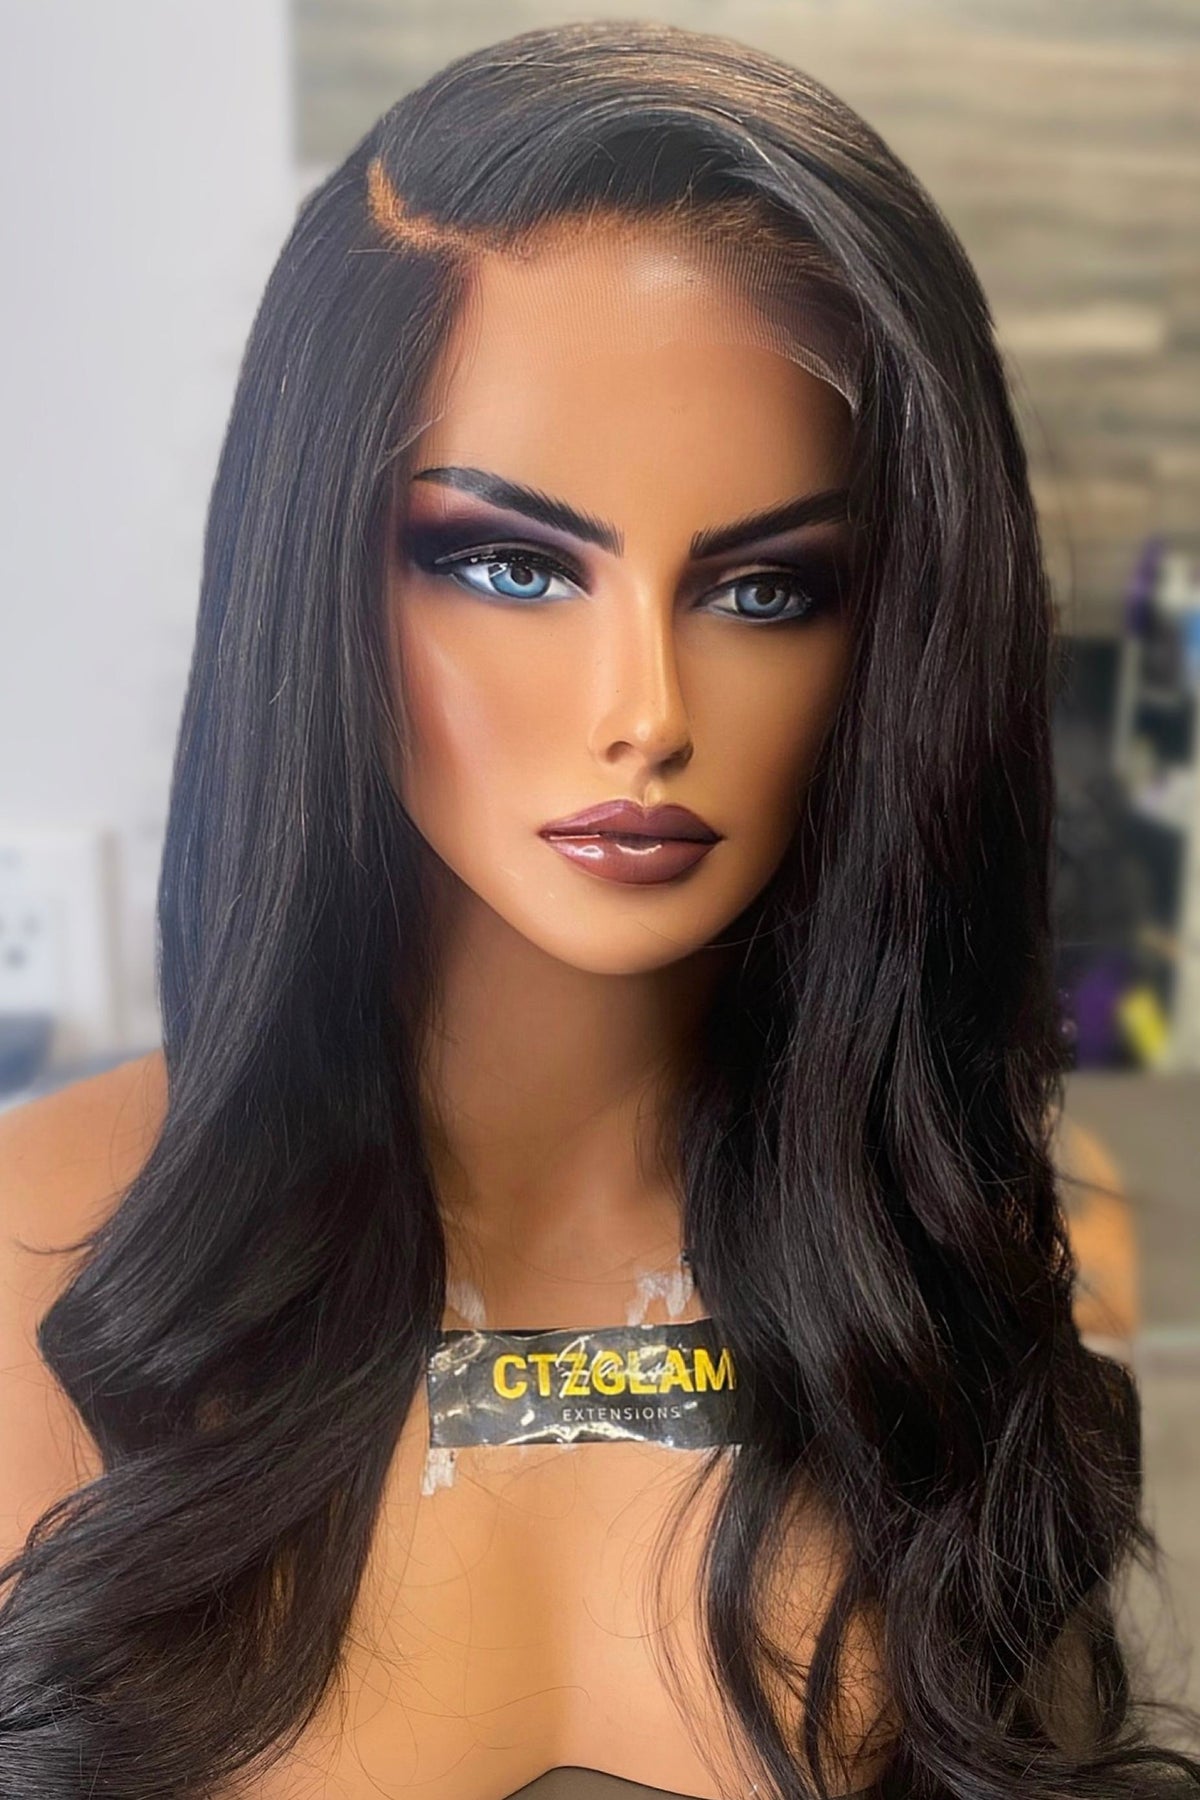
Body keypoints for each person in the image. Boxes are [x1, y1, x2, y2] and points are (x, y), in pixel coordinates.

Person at [0, 19, 1197, 1800]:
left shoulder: (989, 1239)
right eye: (509, 564)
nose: (648, 710)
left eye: (769, 589)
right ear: (320, 581)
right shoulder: (32, 1246)